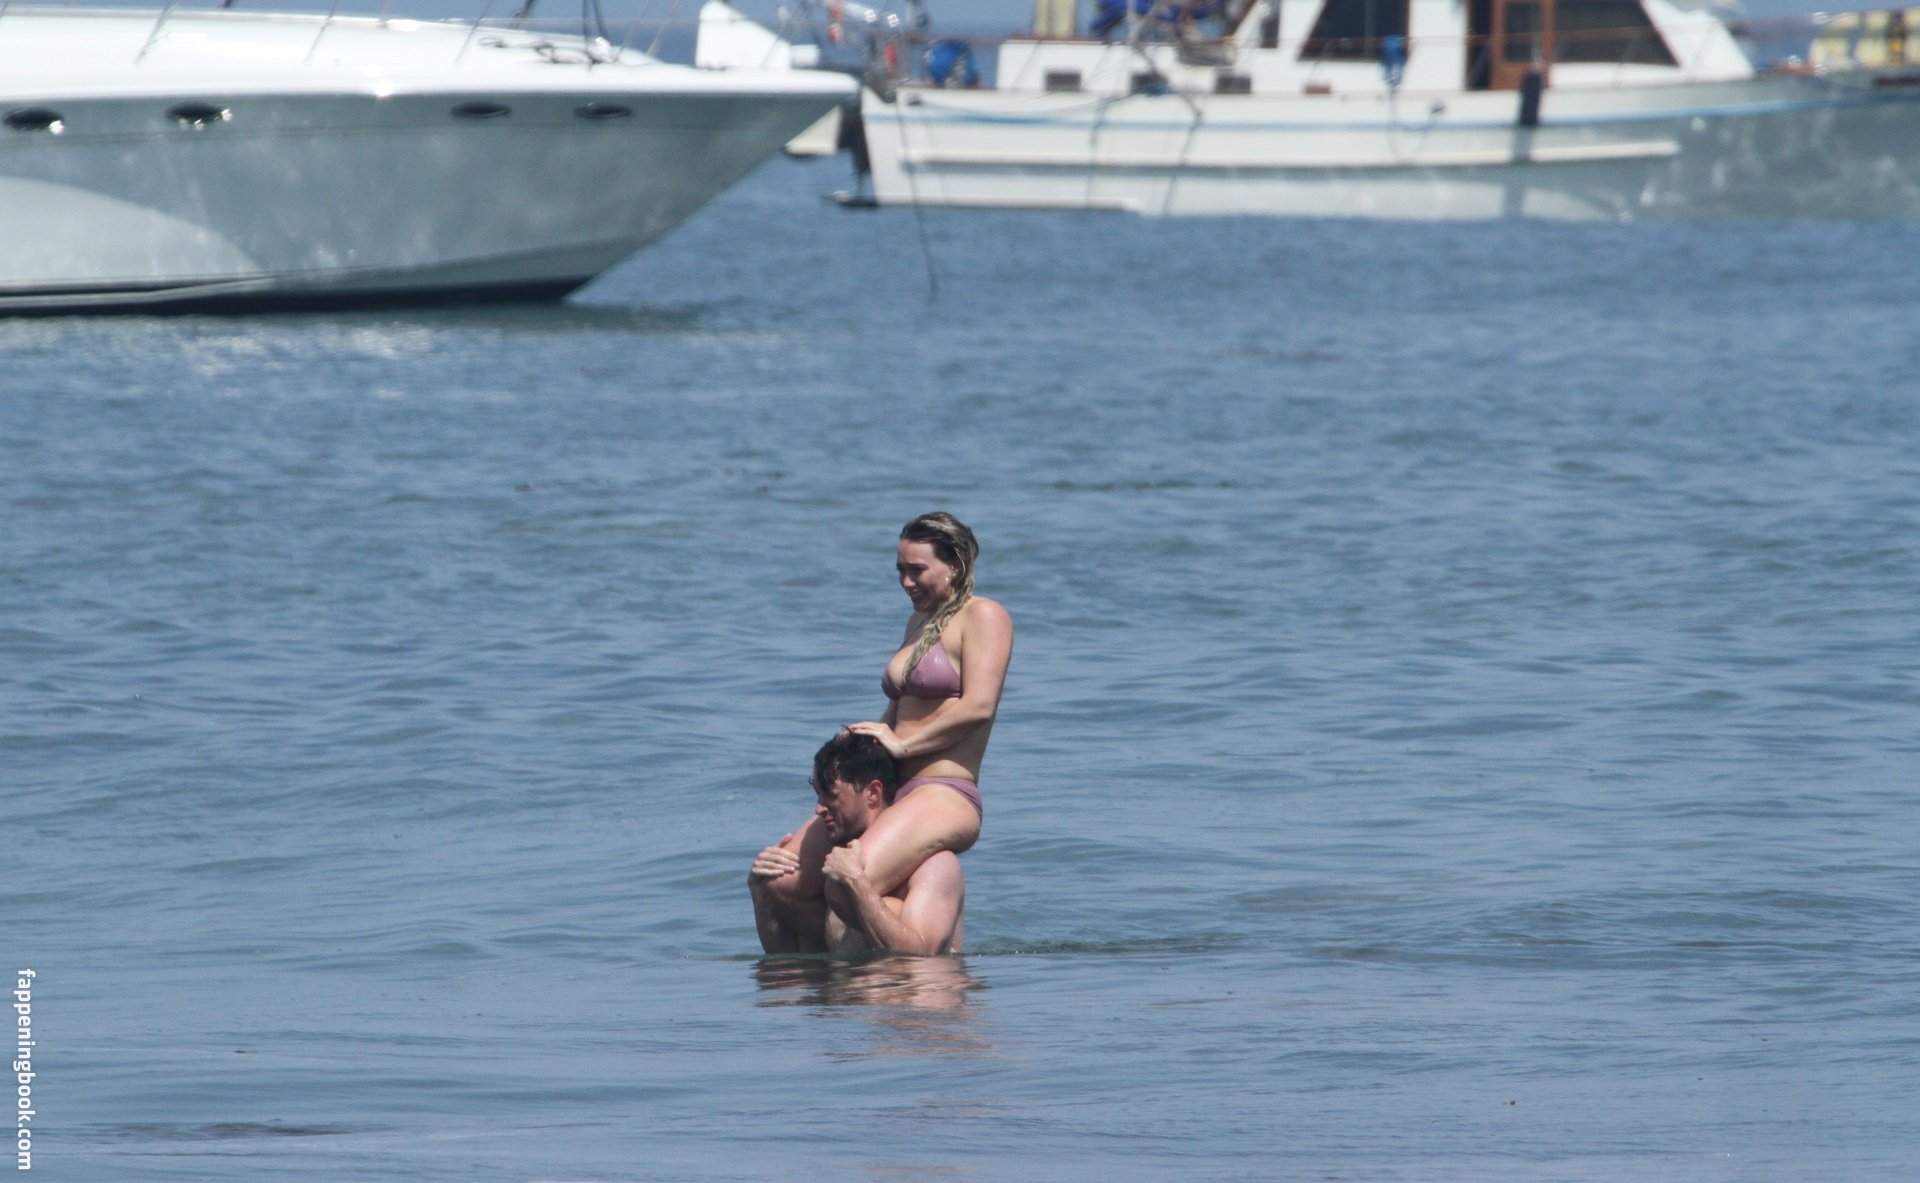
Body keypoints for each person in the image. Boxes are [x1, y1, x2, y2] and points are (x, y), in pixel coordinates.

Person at [759, 512, 1012, 912]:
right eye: (900, 570)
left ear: (955, 565)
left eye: (917, 570)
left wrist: (904, 747)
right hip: (889, 785)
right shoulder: (919, 621)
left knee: (845, 887)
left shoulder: (984, 615)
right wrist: (860, 745)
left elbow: (979, 707)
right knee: (778, 881)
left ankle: (903, 946)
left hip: (941, 790)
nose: (906, 582)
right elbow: (898, 711)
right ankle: (825, 956)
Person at [749, 731, 964, 955]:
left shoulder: (936, 866)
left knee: (881, 908)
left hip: (906, 977)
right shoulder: (834, 870)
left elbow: (922, 958)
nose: (818, 808)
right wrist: (759, 891)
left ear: (873, 793)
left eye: (831, 795)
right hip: (846, 977)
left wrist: (856, 882)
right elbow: (786, 962)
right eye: (819, 795)